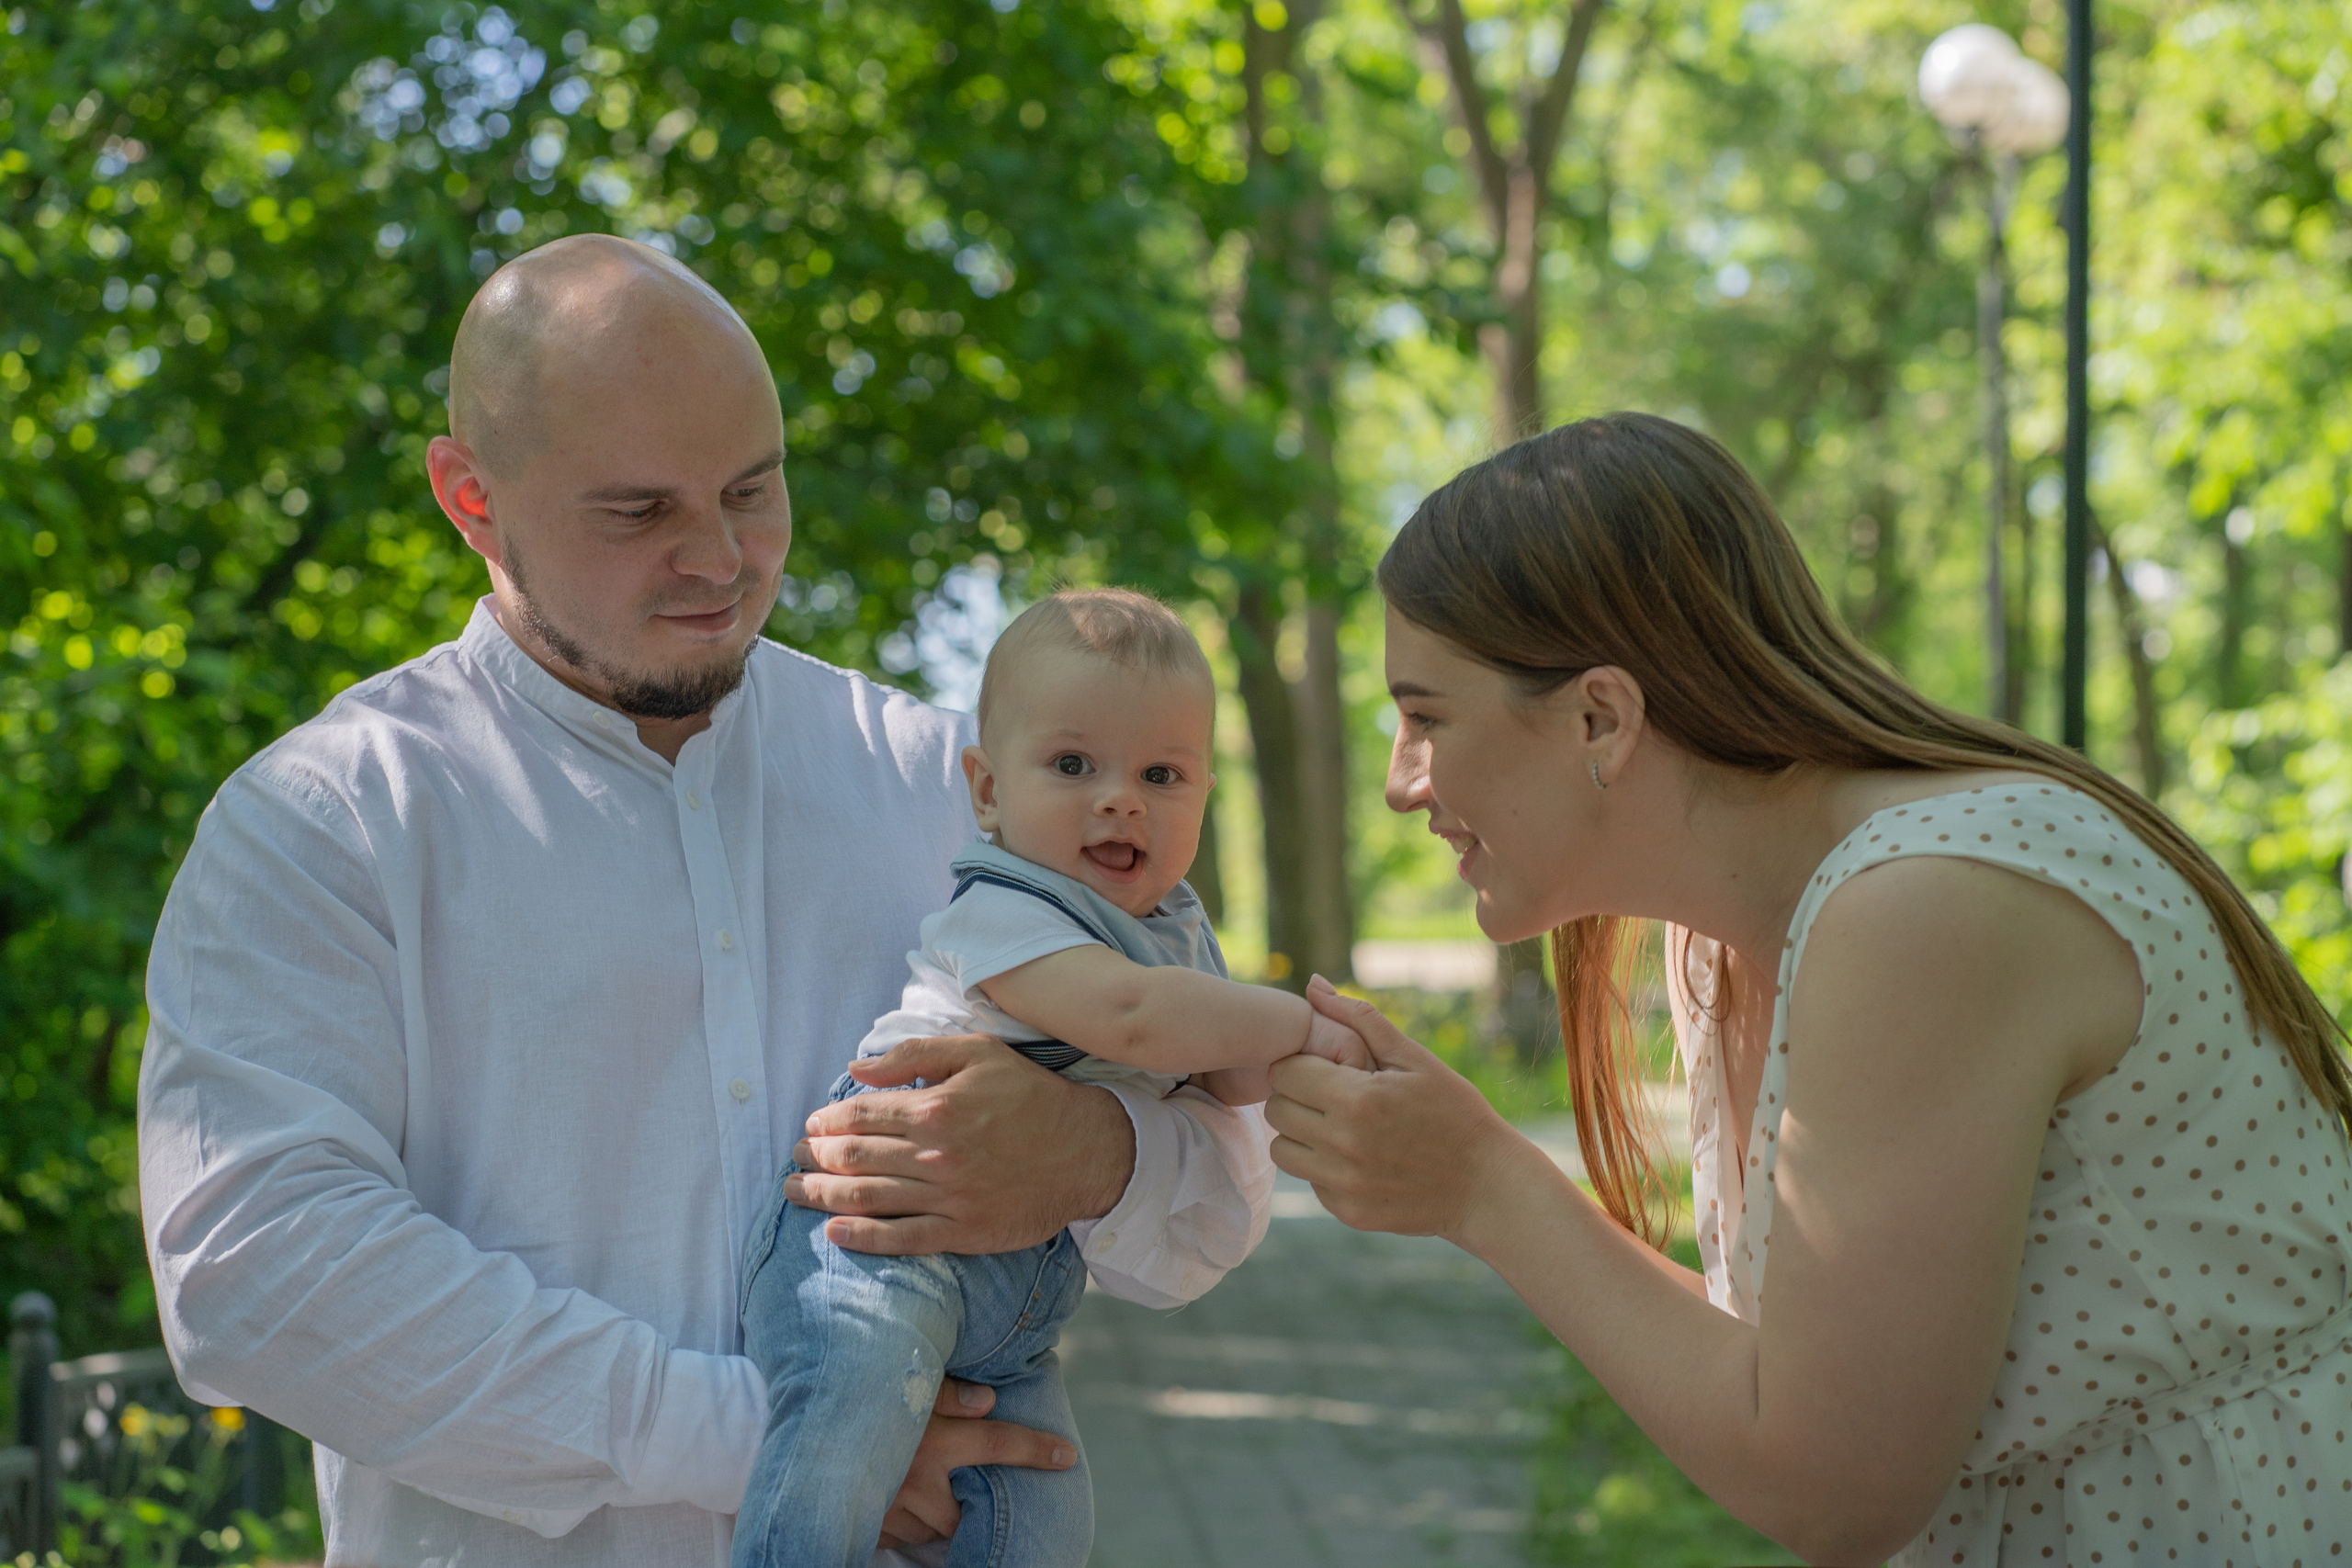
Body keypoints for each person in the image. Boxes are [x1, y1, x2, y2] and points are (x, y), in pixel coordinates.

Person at [134, 234, 1272, 1568]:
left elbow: (1218, 1195)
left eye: (753, 489)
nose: (720, 558)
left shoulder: (943, 783)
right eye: (639, 511)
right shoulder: (328, 821)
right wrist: (791, 1431)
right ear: (470, 496)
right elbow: (257, 1270)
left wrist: (1096, 1151)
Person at [1265, 412, 2352, 1565]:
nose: (1399, 781)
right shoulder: (1723, 945)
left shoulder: (1925, 903)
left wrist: (1485, 1184)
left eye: (1424, 715)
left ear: (1600, 716)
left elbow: (1834, 1488)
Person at [733, 588, 1368, 1568]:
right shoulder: (1004, 905)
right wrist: (1297, 1025)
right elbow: (1132, 1020)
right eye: (1073, 765)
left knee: (1045, 1509)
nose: (1120, 798)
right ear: (987, 791)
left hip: (1018, 1302)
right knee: (841, 1440)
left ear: (1205, 796)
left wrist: (1314, 1064)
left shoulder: (1168, 938)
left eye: (1161, 774)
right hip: (876, 1244)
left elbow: (1223, 1080)